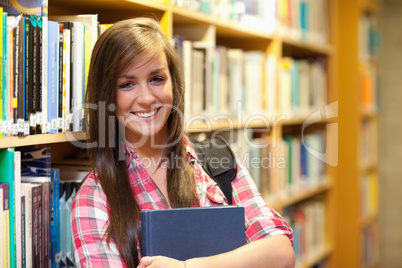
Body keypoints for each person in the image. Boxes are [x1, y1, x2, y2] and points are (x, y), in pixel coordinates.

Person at [71, 17, 295, 268]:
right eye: (127, 84)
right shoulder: (95, 198)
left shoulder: (216, 160)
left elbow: (280, 254)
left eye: (156, 79)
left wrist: (188, 267)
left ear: (174, 85)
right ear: (106, 96)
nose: (146, 98)